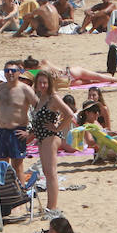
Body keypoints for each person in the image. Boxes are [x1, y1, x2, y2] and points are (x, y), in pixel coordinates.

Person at [29, 71, 77, 217]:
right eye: (40, 83)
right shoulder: (40, 98)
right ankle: (50, 206)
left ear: (49, 83)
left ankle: (52, 207)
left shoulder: (53, 98)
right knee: (46, 172)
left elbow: (69, 114)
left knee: (51, 173)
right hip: (42, 138)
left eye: (45, 82)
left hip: (51, 137)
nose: (42, 85)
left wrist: (58, 128)